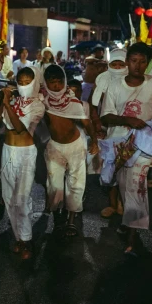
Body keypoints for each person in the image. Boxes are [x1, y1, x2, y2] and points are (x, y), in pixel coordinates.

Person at [100, 43, 152, 256]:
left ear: (147, 64)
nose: (137, 65)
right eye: (134, 61)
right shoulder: (115, 85)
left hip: (142, 144)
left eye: (142, 61)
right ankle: (128, 223)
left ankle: (133, 233)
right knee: (122, 184)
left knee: (137, 186)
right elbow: (105, 115)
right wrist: (127, 119)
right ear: (127, 61)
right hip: (119, 142)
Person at [0, 66, 45, 260]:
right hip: (8, 150)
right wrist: (2, 101)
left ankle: (27, 240)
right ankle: (19, 237)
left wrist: (7, 104)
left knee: (22, 198)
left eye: (27, 82)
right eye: (20, 82)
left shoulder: (37, 105)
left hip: (25, 153)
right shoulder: (12, 99)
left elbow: (20, 128)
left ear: (34, 83)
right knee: (8, 197)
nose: (23, 85)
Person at [41, 65, 98, 238]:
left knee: (75, 184)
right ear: (46, 83)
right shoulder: (42, 100)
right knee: (54, 186)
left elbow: (87, 123)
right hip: (54, 147)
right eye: (52, 83)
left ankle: (71, 221)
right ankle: (59, 220)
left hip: (74, 146)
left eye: (60, 82)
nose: (57, 86)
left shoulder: (72, 101)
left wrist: (94, 141)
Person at [90, 48, 128, 220]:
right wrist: (98, 124)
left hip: (129, 131)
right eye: (115, 64)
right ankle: (113, 204)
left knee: (126, 170)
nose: (118, 67)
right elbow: (93, 104)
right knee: (110, 170)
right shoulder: (102, 79)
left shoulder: (134, 80)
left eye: (122, 63)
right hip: (109, 131)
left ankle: (122, 203)